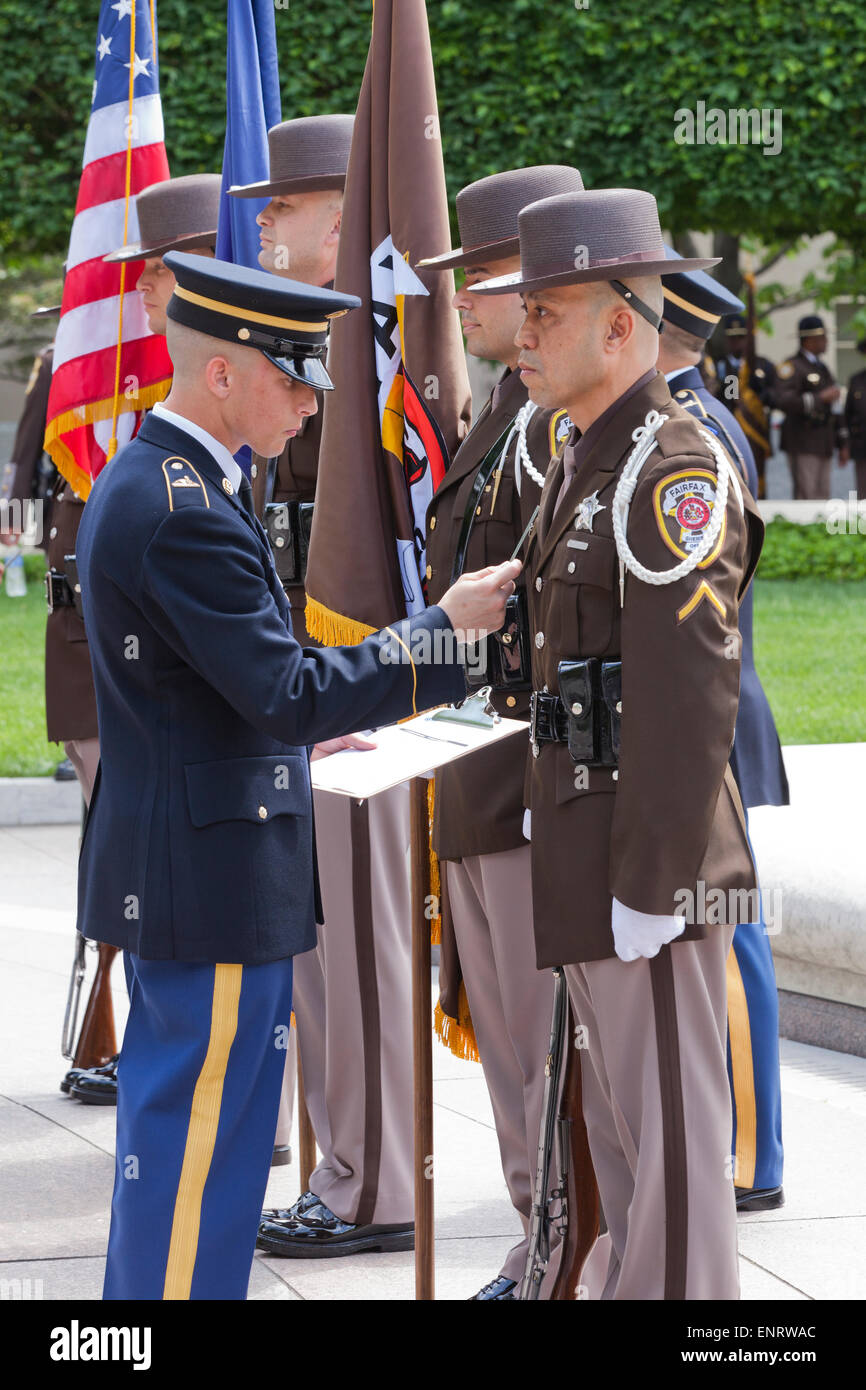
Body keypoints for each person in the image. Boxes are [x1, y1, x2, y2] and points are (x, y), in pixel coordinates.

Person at [75, 250, 519, 1300]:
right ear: (222, 372)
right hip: (209, 881)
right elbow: (283, 689)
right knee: (194, 1164)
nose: (312, 404)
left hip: (199, 864)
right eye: (292, 378)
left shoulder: (173, 480)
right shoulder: (182, 506)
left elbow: (222, 694)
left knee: (206, 1159)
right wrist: (443, 632)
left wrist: (289, 734)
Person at [474, 187, 764, 1299]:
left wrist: (648, 881)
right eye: (525, 311)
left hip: (650, 868)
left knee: (672, 1164)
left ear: (619, 319)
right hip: (588, 850)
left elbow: (689, 700)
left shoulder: (668, 462)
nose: (524, 332)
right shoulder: (584, 452)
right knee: (621, 1140)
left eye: (545, 310)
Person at [234, 114, 439, 1258]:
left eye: (284, 205)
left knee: (361, 938)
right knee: (331, 945)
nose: (261, 219)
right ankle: (348, 1163)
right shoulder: (317, 334)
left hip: (363, 677)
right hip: (313, 670)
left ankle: (370, 1182)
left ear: (340, 219)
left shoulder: (369, 345)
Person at [417, 163, 582, 1300]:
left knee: (537, 1053)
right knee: (514, 1049)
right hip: (470, 772)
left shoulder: (536, 426)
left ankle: (554, 1249)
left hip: (513, 772)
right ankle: (537, 1237)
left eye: (468, 285)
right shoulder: (501, 414)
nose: (459, 309)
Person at [56, 173, 222, 1106]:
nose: (139, 292)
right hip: (124, 655)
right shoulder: (163, 399)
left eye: (156, 272)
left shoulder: (235, 389)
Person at [657, 254, 787, 1212]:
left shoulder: (691, 428)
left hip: (713, 705)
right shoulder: (692, 417)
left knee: (732, 930)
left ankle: (752, 1153)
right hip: (709, 701)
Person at [772, 314, 848, 499]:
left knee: (823, 495)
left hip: (824, 441)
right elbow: (783, 400)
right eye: (822, 337)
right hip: (803, 440)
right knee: (807, 495)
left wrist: (842, 442)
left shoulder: (822, 368)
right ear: (810, 340)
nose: (826, 342)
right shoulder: (792, 366)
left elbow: (834, 408)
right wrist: (819, 398)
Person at [844, 337, 866, 499]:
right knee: (863, 494)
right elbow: (848, 414)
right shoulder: (857, 380)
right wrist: (845, 445)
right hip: (862, 446)